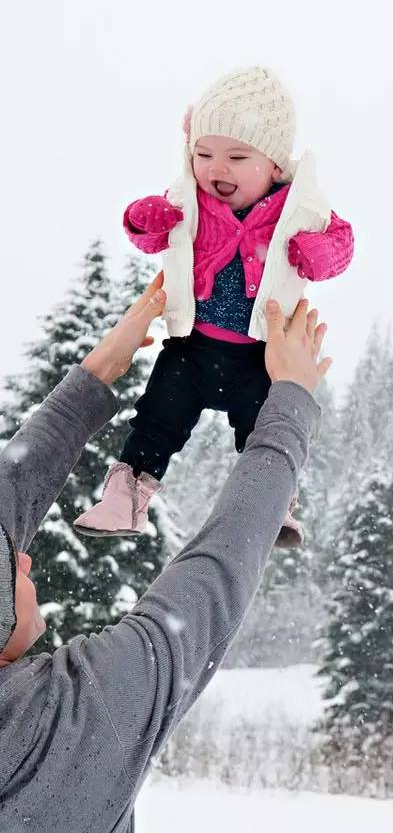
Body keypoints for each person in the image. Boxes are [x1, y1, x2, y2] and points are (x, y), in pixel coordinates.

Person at [0, 274, 330, 831]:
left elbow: (10, 494)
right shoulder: (58, 727)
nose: (24, 559)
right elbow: (216, 572)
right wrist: (290, 401)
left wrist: (100, 370)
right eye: (9, 567)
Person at [73, 65, 354, 547]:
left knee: (263, 427)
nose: (215, 168)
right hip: (192, 348)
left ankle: (272, 504)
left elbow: (341, 241)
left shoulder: (299, 209)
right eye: (203, 153)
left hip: (259, 356)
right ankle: (127, 494)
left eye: (236, 156)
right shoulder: (189, 201)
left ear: (275, 165)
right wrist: (147, 220)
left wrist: (317, 252)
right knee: (158, 416)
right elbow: (145, 230)